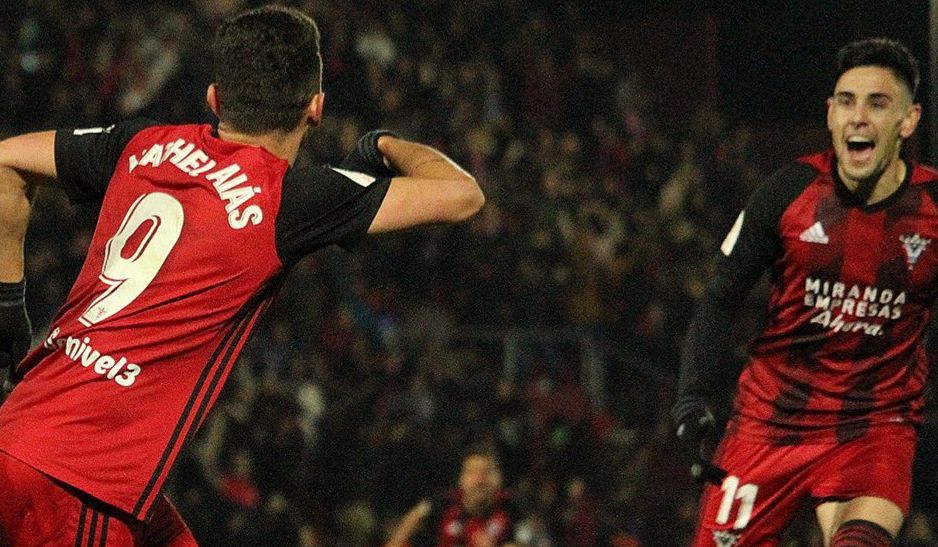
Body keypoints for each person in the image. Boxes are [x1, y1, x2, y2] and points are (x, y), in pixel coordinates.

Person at [0, 5, 484, 546]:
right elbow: (462, 194)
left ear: (214, 98)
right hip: (84, 480)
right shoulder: (290, 199)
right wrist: (382, 145)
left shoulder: (141, 144)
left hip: (22, 432)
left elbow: (6, 161)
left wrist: (8, 308)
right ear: (316, 108)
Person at [672, 37, 931, 546]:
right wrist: (693, 396)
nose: (858, 117)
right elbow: (720, 296)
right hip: (768, 425)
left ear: (908, 121)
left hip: (875, 427)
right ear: (831, 116)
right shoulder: (787, 192)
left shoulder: (933, 211)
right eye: (846, 102)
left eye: (877, 104)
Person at [385, 448, 523, 547]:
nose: (480, 480)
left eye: (486, 472)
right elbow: (417, 514)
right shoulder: (445, 503)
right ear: (461, 480)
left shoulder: (512, 506)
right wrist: (395, 542)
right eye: (472, 473)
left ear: (497, 479)